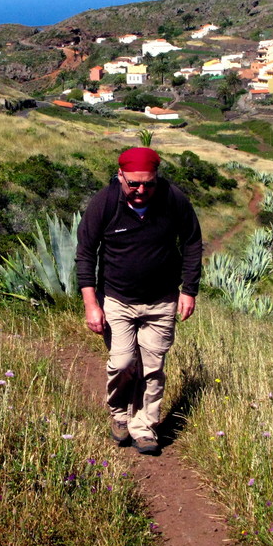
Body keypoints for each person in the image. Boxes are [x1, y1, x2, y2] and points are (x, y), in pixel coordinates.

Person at [75, 147, 202, 456]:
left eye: (148, 183)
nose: (141, 190)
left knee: (153, 367)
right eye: (133, 184)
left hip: (161, 302)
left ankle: (144, 426)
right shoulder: (104, 203)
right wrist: (91, 304)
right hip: (117, 300)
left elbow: (192, 241)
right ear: (120, 176)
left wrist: (189, 290)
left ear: (156, 178)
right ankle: (119, 415)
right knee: (123, 363)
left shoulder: (173, 200)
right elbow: (85, 253)